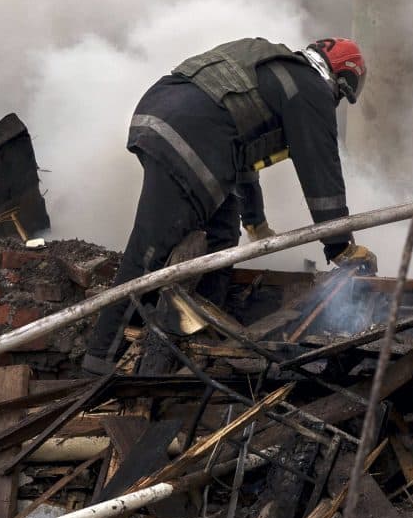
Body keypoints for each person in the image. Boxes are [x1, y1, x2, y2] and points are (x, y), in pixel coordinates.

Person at [82, 34, 374, 373]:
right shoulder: (310, 89)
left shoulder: (279, 73)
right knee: (150, 249)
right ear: (341, 79)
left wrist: (255, 221)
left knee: (221, 239)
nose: (334, 103)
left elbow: (241, 155)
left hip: (167, 119)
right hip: (190, 138)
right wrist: (340, 246)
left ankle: (203, 337)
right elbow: (320, 170)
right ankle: (100, 357)